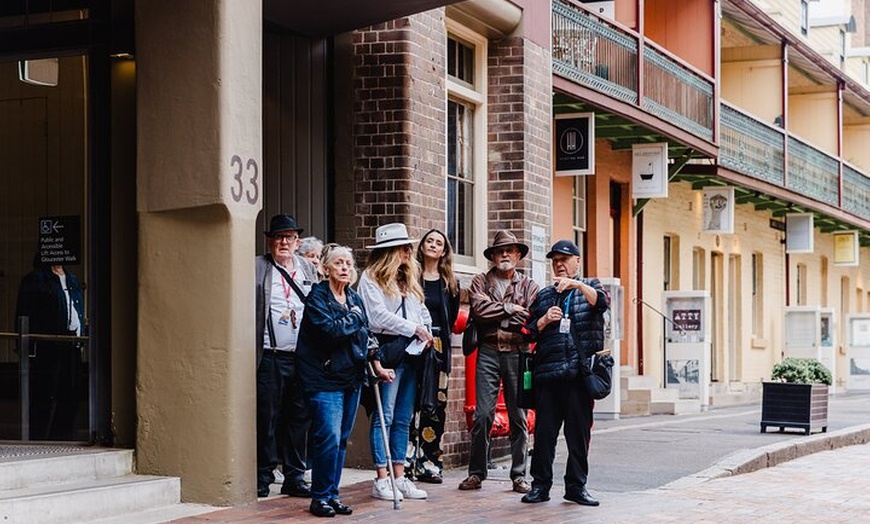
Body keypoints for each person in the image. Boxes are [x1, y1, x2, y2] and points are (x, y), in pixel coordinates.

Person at [519, 240, 609, 506]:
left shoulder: (591, 286)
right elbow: (527, 330)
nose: (559, 264)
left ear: (577, 262)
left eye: (565, 259)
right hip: (548, 374)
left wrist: (578, 285)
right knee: (545, 435)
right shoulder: (544, 295)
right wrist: (545, 319)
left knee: (578, 435)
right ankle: (540, 486)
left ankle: (576, 487)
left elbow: (602, 303)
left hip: (580, 375)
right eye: (555, 260)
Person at [458, 230, 539, 494]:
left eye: (510, 250)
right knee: (482, 415)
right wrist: (509, 310)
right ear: (493, 256)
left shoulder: (530, 286)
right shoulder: (480, 280)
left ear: (517, 255)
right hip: (489, 351)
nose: (505, 254)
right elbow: (479, 310)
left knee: (518, 415)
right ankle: (476, 473)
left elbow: (527, 319)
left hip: (518, 352)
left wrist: (501, 316)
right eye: (500, 251)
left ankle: (518, 476)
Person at [359, 222, 433, 501]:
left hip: (411, 353)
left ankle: (400, 477)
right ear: (389, 251)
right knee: (384, 415)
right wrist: (413, 329)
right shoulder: (371, 278)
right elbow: (377, 318)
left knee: (403, 418)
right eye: (403, 247)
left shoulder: (408, 280)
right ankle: (381, 478)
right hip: (387, 350)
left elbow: (422, 311)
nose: (408, 251)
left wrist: (425, 330)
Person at [296, 244, 370, 517]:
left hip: (351, 378)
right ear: (325, 269)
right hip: (323, 379)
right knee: (327, 438)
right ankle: (319, 497)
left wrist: (375, 360)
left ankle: (332, 494)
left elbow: (365, 334)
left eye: (348, 264)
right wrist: (353, 319)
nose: (344, 268)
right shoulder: (317, 298)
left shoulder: (354, 299)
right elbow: (330, 332)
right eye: (338, 263)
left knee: (341, 440)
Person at [255, 214, 319, 498]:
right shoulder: (257, 267)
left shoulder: (307, 268)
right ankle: (263, 475)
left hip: (301, 356)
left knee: (300, 418)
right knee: (267, 417)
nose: (284, 242)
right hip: (270, 354)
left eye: (289, 238)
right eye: (278, 237)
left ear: (297, 242)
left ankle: (295, 476)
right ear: (270, 241)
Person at [407, 229, 460, 484]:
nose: (433, 245)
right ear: (422, 246)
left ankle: (430, 462)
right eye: (429, 241)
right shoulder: (409, 276)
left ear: (444, 251)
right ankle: (406, 460)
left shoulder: (450, 282)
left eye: (439, 243)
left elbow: (451, 316)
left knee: (435, 407)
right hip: (413, 344)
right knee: (409, 403)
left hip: (438, 347)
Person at [16, 257, 85, 441]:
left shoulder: (72, 279)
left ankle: (61, 437)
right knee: (44, 395)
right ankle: (36, 439)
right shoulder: (37, 279)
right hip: (49, 345)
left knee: (71, 394)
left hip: (72, 344)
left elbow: (77, 307)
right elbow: (25, 312)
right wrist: (25, 346)